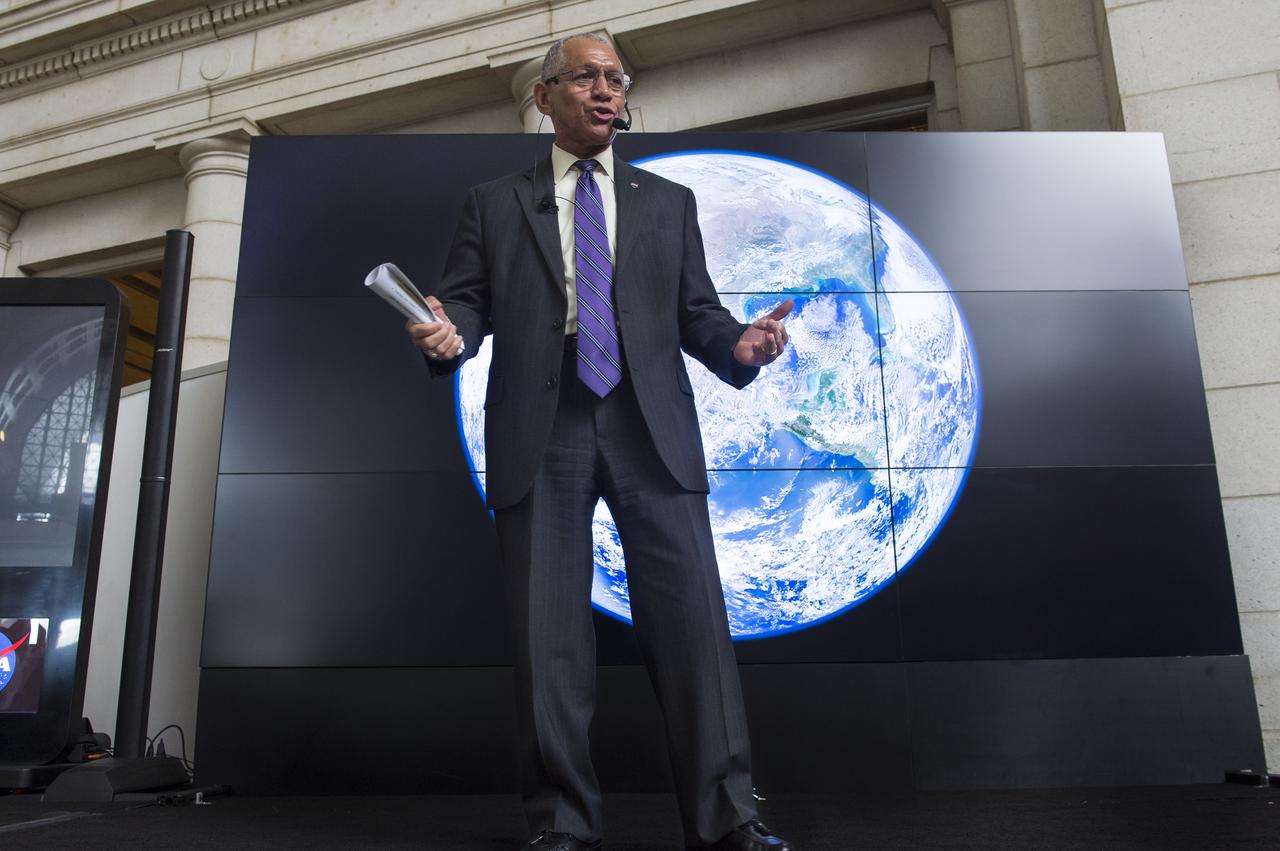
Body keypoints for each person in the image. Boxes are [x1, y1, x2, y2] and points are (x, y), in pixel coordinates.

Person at [407, 33, 795, 851]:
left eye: (616, 78)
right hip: (540, 425)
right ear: (545, 96)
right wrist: (450, 337)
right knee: (547, 639)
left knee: (694, 628)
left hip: (648, 422)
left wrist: (740, 346)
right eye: (586, 76)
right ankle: (561, 825)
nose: (606, 90)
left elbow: (698, 314)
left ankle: (729, 821)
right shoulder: (493, 202)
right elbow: (466, 305)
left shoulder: (667, 201)